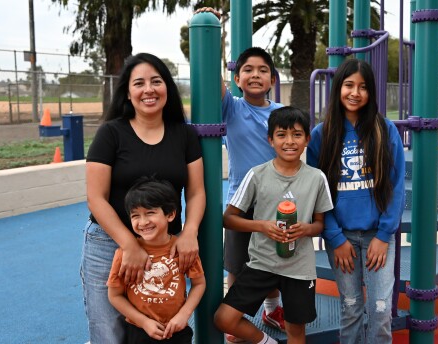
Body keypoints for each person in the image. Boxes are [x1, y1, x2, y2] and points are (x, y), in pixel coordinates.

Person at [82, 53, 206, 344]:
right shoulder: (111, 133)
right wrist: (128, 245)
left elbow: (197, 191)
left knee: (162, 330)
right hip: (109, 242)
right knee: (109, 332)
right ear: (128, 92)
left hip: (165, 244)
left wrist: (189, 232)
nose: (148, 89)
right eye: (139, 83)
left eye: (156, 81)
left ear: (168, 88)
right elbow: (95, 198)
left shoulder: (184, 135)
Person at [197, 7, 286, 338]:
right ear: (237, 78)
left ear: (272, 81)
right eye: (247, 70)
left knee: (276, 263)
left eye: (263, 70)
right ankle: (235, 324)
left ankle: (272, 306)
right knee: (237, 265)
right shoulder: (232, 107)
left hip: (278, 201)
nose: (255, 75)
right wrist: (214, 35)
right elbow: (211, 77)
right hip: (241, 204)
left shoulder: (282, 114)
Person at [214, 106, 334, 344]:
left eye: (297, 134)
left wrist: (306, 229)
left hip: (299, 269)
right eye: (281, 135)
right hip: (262, 263)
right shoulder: (257, 175)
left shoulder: (317, 178)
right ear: (270, 140)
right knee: (224, 318)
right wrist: (262, 226)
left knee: (296, 331)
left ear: (307, 139)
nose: (289, 141)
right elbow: (228, 219)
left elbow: (320, 224)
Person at [306, 58, 405, 343]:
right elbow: (318, 192)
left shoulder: (385, 131)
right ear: (338, 88)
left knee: (380, 310)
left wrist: (385, 234)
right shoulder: (321, 136)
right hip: (342, 238)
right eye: (349, 85)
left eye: (363, 87)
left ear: (371, 92)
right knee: (350, 309)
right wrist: (335, 238)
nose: (355, 92)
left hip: (378, 236)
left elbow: (396, 186)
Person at [107, 177, 206, 344]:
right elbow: (114, 296)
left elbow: (199, 284)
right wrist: (143, 321)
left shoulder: (183, 249)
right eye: (135, 216)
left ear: (170, 214)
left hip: (177, 329)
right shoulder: (125, 255)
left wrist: (184, 315)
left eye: (150, 213)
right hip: (139, 331)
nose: (143, 222)